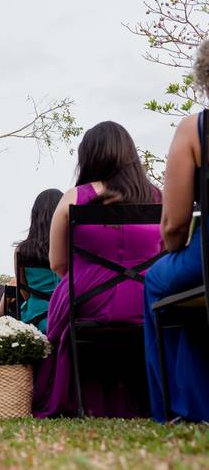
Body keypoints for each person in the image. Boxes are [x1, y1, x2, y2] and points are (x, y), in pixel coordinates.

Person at [33, 121, 162, 419]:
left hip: (87, 300)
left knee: (63, 303)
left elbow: (57, 263)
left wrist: (89, 282)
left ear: (88, 156)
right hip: (148, 301)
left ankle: (78, 398)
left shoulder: (74, 197)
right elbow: (168, 250)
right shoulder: (159, 197)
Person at [143, 42, 209, 424]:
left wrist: (172, 249)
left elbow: (175, 224)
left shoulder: (194, 130)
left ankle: (179, 408)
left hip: (203, 257)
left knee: (159, 282)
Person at [13, 189, 63, 332]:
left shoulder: (21, 251)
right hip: (68, 315)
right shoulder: (71, 247)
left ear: (35, 216)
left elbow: (25, 292)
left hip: (36, 321)